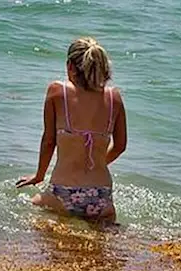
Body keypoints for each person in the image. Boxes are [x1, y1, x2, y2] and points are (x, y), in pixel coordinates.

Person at [17, 37, 127, 223]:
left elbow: (49, 141)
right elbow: (120, 146)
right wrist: (97, 163)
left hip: (64, 192)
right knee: (100, 249)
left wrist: (39, 175)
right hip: (102, 195)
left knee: (28, 211)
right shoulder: (114, 97)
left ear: (70, 66)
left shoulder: (57, 91)